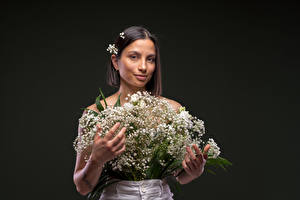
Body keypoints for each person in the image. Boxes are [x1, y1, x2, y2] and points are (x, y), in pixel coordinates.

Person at [73, 26, 210, 200]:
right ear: (115, 61)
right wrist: (96, 159)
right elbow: (83, 187)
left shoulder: (173, 110)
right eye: (134, 57)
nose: (144, 67)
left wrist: (194, 171)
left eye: (150, 59)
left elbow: (179, 176)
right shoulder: (95, 114)